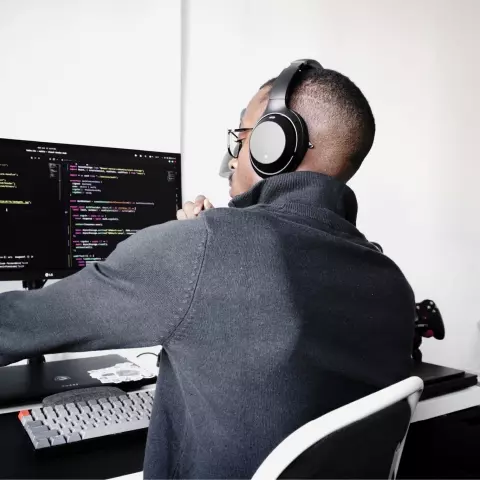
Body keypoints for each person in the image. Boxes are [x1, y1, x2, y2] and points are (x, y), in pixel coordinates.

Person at [0, 62, 414, 479]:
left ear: (277, 141)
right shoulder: (393, 282)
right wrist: (201, 251)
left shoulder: (199, 249)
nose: (232, 156)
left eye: (242, 135)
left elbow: (18, 324)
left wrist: (192, 250)